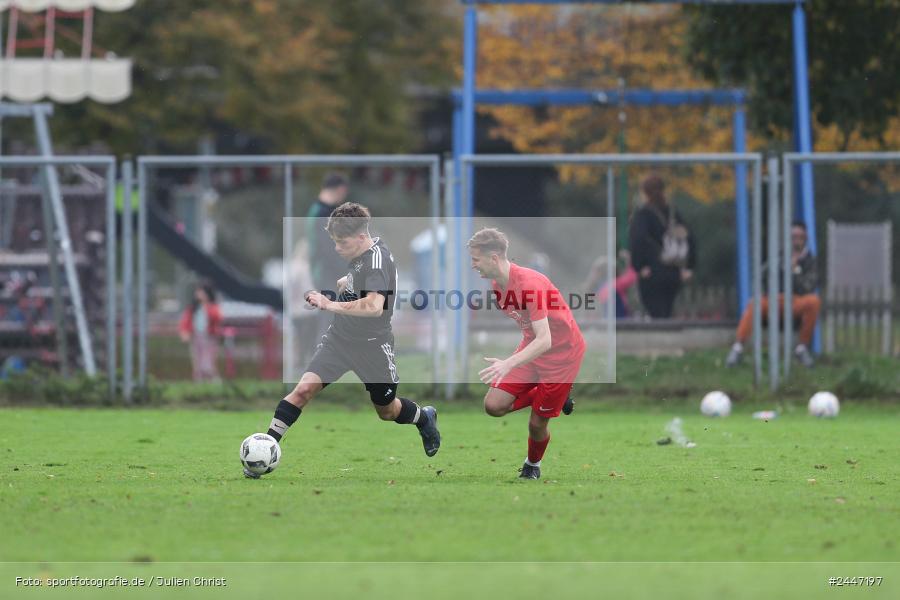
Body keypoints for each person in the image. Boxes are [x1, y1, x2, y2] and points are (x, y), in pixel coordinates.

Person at [253, 203, 440, 478]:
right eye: (335, 242)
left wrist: (329, 304)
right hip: (339, 341)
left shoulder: (377, 259)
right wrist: (347, 282)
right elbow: (361, 279)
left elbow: (376, 306)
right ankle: (266, 449)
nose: (337, 248)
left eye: (341, 242)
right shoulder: (365, 252)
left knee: (387, 411)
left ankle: (424, 417)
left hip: (374, 346)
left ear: (361, 237)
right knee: (303, 389)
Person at [467, 228, 584, 480]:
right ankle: (554, 396)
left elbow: (546, 339)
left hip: (562, 355)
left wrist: (509, 363)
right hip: (534, 348)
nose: (472, 265)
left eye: (476, 259)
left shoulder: (530, 285)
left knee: (536, 424)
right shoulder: (498, 286)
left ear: (494, 258)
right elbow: (533, 333)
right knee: (493, 405)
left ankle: (532, 465)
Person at [726, 220, 820, 368]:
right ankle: (738, 348)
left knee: (813, 301)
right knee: (755, 303)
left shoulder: (810, 261)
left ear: (805, 237)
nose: (796, 240)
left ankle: (802, 348)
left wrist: (794, 271)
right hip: (775, 300)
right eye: (793, 236)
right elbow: (763, 276)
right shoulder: (779, 257)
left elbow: (808, 287)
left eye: (799, 237)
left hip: (795, 302)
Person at [628, 174, 696, 318]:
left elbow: (638, 240)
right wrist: (689, 266)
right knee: (666, 309)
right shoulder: (672, 213)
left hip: (652, 272)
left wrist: (639, 266)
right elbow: (689, 238)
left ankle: (661, 339)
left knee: (655, 312)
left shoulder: (643, 215)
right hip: (673, 271)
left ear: (644, 193)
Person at [307, 172, 350, 342]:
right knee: (329, 320)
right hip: (326, 272)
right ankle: (322, 364)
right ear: (341, 189)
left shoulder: (320, 211)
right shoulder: (321, 213)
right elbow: (328, 249)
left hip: (326, 271)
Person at [178, 281, 223, 381]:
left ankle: (214, 381)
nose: (198, 294)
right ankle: (199, 383)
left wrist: (207, 306)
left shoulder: (213, 307)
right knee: (197, 363)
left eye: (201, 292)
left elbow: (217, 317)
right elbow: (185, 321)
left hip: (209, 337)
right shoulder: (193, 308)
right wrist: (185, 333)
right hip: (196, 337)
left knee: (208, 363)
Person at [582, 249, 638, 319]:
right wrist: (629, 259)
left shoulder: (596, 288)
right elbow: (632, 276)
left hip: (606, 324)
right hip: (619, 323)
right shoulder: (613, 285)